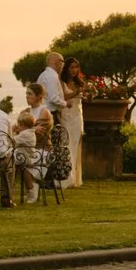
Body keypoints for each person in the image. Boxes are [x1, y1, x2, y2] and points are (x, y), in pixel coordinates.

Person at [59, 55, 87, 188]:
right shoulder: (62, 82)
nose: (74, 70)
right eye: (72, 67)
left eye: (76, 67)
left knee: (76, 145)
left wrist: (89, 94)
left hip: (77, 116)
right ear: (67, 68)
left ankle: (75, 178)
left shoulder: (79, 82)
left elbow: (83, 99)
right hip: (67, 115)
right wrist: (76, 92)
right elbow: (63, 97)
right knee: (67, 144)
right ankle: (66, 178)